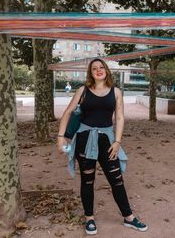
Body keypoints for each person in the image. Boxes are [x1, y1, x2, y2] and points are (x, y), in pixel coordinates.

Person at [57, 59, 148, 235]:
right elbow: (68, 112)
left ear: (106, 71)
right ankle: (89, 218)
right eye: (94, 68)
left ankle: (128, 217)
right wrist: (61, 138)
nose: (98, 70)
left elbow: (120, 118)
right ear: (90, 73)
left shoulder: (116, 92)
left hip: (107, 141)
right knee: (87, 180)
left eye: (101, 67)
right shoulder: (82, 91)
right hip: (84, 139)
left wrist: (117, 141)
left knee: (116, 179)